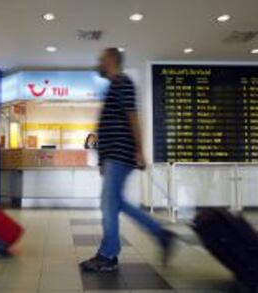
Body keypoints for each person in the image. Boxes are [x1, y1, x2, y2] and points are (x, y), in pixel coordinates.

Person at [80, 48, 173, 272]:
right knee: (115, 203)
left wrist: (139, 150)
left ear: (111, 60)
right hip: (113, 156)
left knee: (108, 204)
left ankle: (108, 255)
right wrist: (102, 159)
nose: (98, 63)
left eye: (101, 60)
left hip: (120, 155)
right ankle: (162, 234)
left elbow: (133, 117)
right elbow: (109, 125)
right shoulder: (114, 86)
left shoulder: (123, 83)